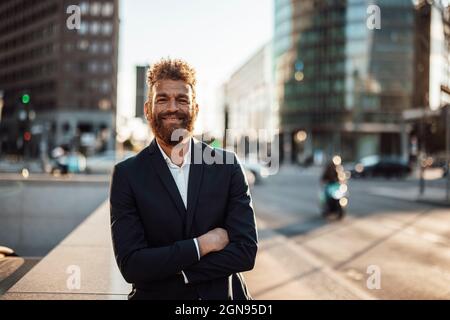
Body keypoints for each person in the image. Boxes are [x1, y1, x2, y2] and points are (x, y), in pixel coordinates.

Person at [109, 58, 258, 300]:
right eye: (162, 99)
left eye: (182, 100)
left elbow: (245, 252)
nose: (172, 108)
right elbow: (132, 265)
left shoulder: (227, 166)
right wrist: (203, 245)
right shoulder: (127, 175)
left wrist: (175, 271)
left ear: (195, 109)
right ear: (148, 109)